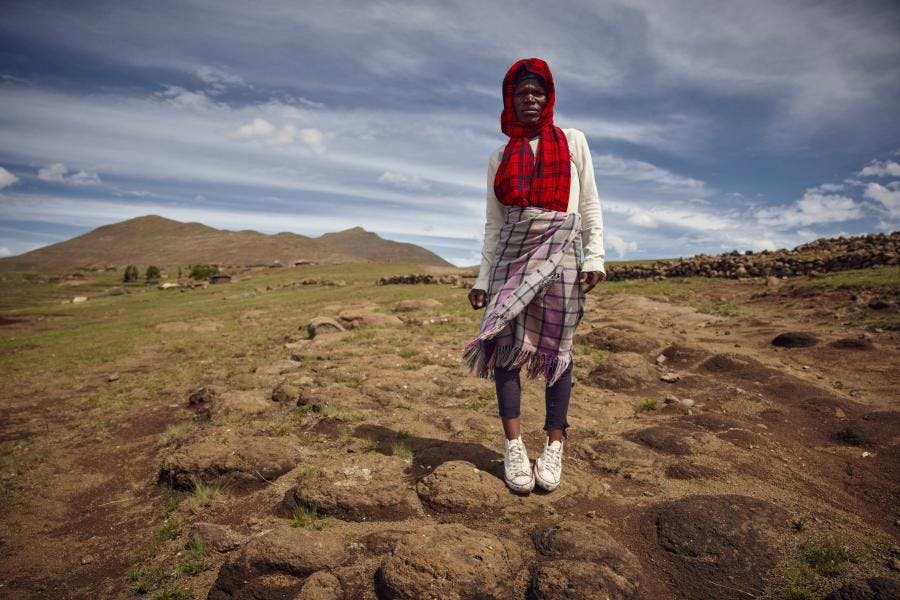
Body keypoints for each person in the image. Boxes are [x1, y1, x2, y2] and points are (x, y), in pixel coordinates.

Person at [463, 58, 605, 494]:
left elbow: (590, 204)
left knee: (558, 351)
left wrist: (594, 256)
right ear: (509, 99)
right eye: (520, 92)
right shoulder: (499, 156)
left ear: (549, 97)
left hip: (562, 249)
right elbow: (494, 223)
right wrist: (483, 279)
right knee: (503, 346)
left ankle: (554, 444)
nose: (529, 98)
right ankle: (513, 445)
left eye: (537, 91)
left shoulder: (573, 141)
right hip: (512, 254)